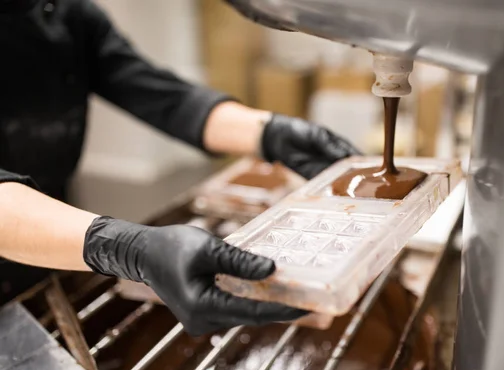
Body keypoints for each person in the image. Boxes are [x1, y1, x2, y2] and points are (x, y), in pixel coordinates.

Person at [0, 0, 360, 335]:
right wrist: (128, 249)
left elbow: (158, 93)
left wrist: (267, 132)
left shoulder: (67, 13)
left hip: (53, 247)